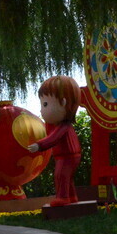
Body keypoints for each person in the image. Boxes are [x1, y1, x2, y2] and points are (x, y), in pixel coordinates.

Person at [28, 75, 82, 207]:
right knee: (67, 178)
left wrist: (39, 145)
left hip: (67, 156)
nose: (42, 110)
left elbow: (53, 138)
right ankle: (72, 196)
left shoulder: (63, 127)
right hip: (69, 156)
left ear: (63, 103)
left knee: (60, 175)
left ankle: (63, 197)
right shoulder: (59, 125)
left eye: (45, 104)